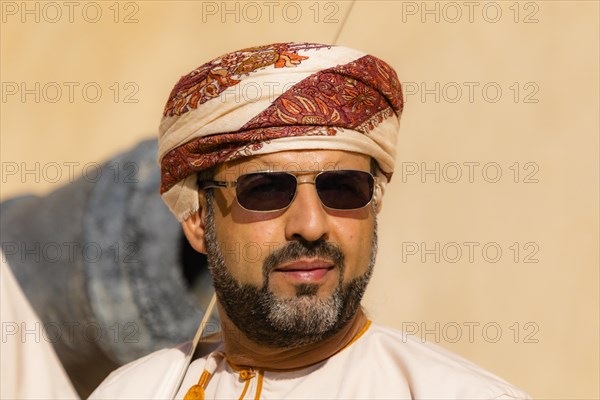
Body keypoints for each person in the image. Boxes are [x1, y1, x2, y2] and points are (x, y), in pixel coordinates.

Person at [90, 42, 530, 399]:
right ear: (198, 220)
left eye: (342, 188)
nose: (312, 224)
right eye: (265, 190)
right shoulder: (136, 391)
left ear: (373, 204)